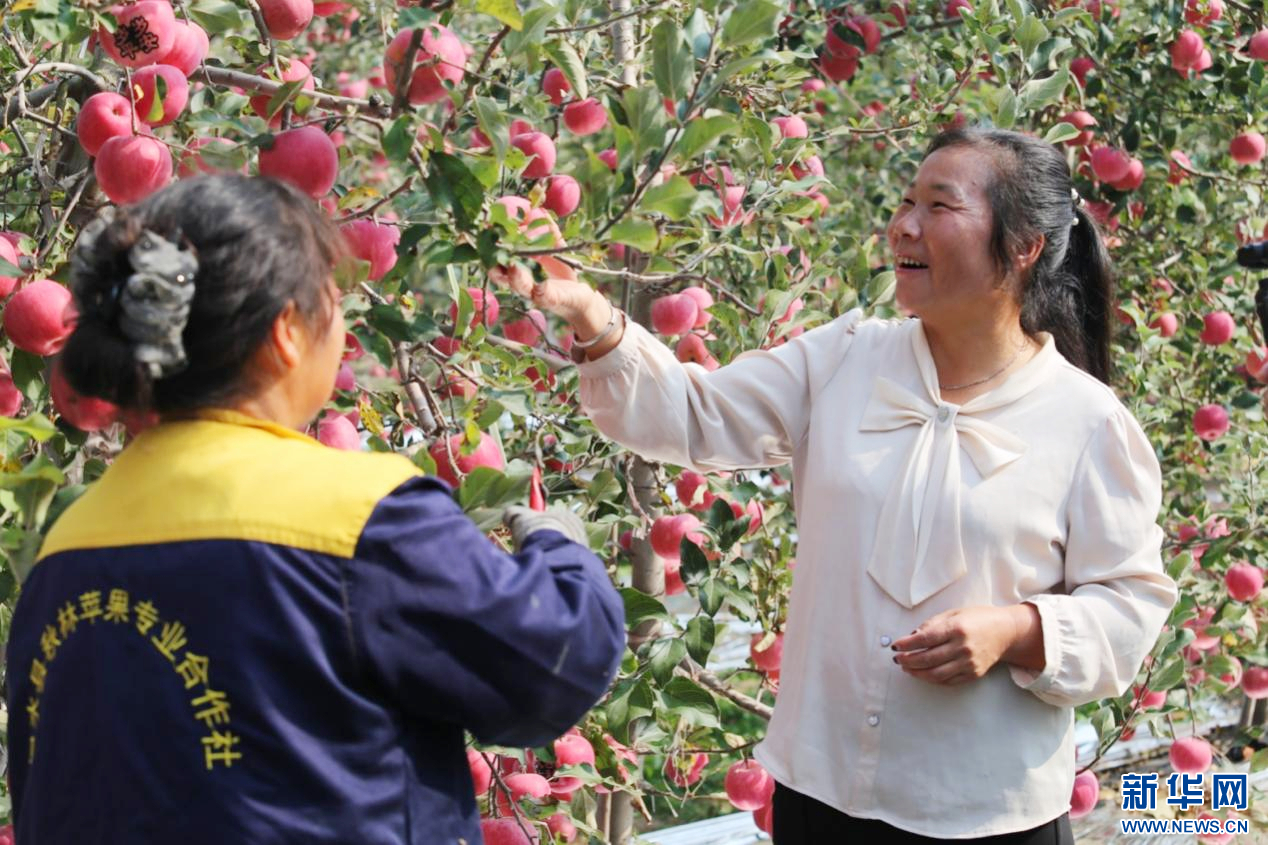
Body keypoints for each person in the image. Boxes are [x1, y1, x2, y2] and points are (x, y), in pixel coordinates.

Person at [493, 127, 1179, 843]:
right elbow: (692, 415)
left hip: (987, 810)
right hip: (821, 797)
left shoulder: (1087, 421)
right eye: (906, 200)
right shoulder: (844, 359)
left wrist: (1017, 630)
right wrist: (589, 314)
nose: (904, 224)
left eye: (939, 206)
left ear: (1024, 244)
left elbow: (1129, 607)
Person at [5, 174, 626, 844]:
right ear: (285, 335)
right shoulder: (358, 516)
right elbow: (548, 669)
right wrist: (563, 550)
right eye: (332, 298)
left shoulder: (64, 550)